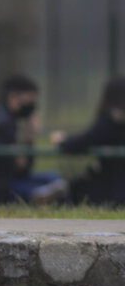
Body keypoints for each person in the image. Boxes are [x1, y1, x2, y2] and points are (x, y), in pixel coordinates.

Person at [0, 74, 67, 205]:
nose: (32, 106)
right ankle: (34, 195)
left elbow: (24, 170)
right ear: (13, 98)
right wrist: (9, 151)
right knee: (56, 187)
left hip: (9, 178)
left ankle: (38, 194)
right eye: (29, 100)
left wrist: (30, 137)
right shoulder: (0, 118)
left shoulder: (10, 121)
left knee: (54, 178)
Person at [50, 76, 125, 205]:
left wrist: (62, 140)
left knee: (76, 188)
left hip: (113, 188)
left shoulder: (110, 122)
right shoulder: (111, 122)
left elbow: (82, 142)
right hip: (113, 182)